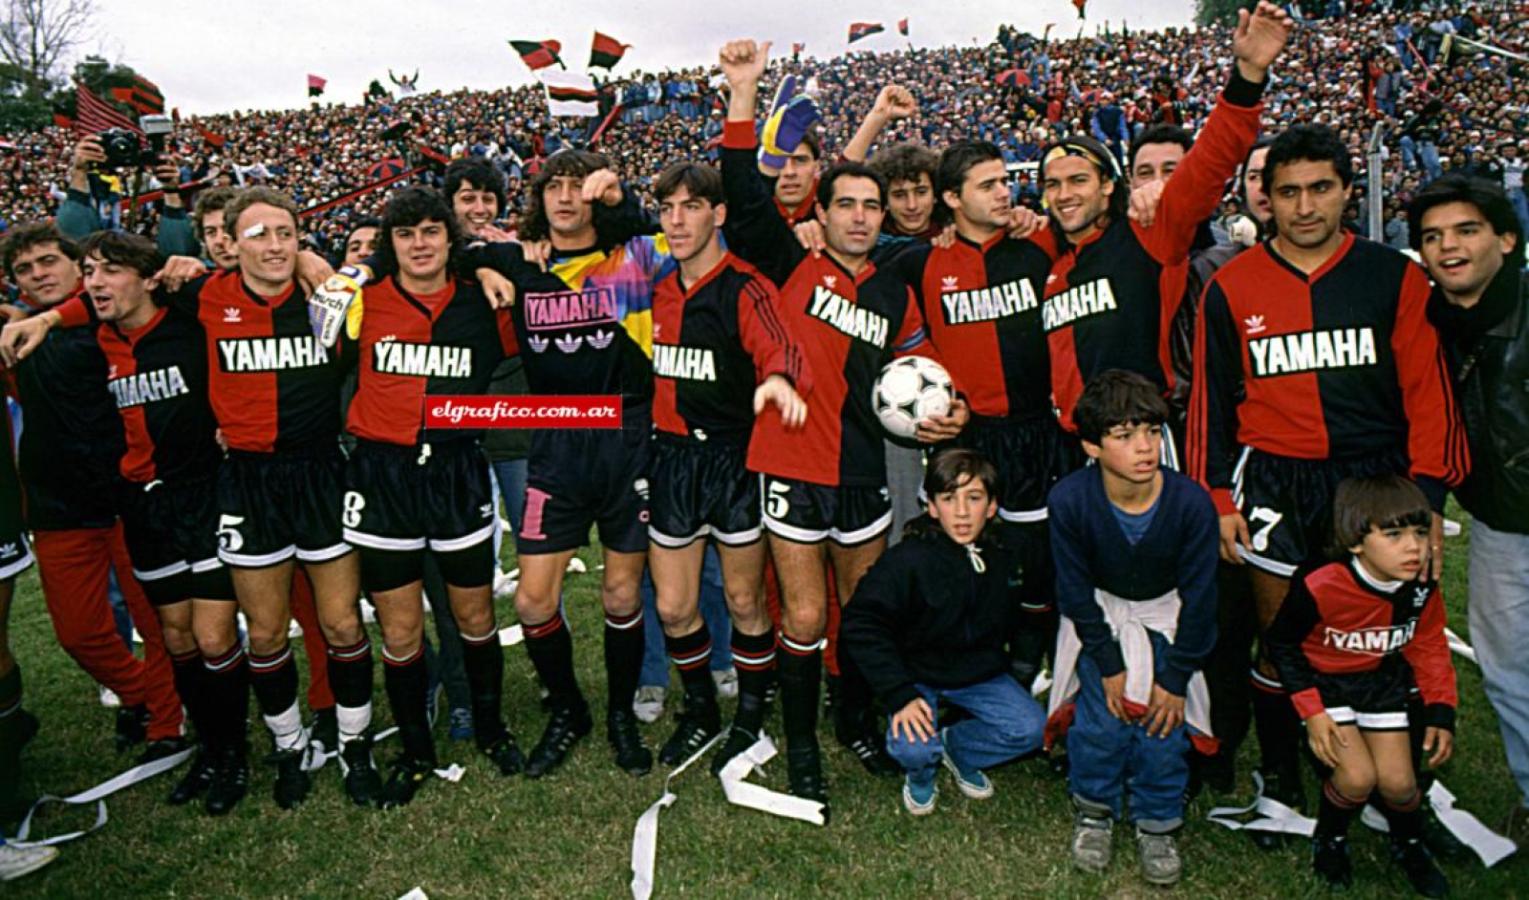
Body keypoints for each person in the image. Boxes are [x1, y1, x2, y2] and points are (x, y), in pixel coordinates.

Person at [1186, 124, 1468, 830]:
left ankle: (1384, 778)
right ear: (1264, 199)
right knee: (1281, 632)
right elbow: (1209, 404)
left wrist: (1426, 497)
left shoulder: (1393, 276)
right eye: (1287, 192)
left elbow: (1427, 392)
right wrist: (1217, 495)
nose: (1303, 206)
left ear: (1347, 191)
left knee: (1377, 631)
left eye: (1318, 189)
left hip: (1372, 481)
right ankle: (1280, 774)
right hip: (1276, 481)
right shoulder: (1229, 286)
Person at [718, 37, 968, 813]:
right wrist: (744, 92)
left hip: (863, 471)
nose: (860, 217)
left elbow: (922, 380)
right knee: (802, 612)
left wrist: (947, 413)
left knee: (859, 613)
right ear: (817, 217)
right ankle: (799, 747)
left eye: (871, 205)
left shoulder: (895, 291)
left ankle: (854, 720)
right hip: (792, 463)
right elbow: (739, 183)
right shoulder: (790, 262)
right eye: (845, 205)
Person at [1038, 0, 1292, 457]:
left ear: (1107, 186)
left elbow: (1208, 166)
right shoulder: (1051, 262)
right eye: (1052, 185)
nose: (1065, 194)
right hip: (1073, 447)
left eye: (1078, 180)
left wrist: (1247, 78)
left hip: (1145, 440)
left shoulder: (1145, 235)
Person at [338, 187, 524, 807]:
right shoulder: (363, 305)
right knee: (400, 629)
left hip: (456, 471)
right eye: (405, 234)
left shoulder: (483, 301)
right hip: (383, 476)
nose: (419, 244)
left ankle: (491, 727)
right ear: (390, 245)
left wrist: (489, 265)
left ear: (449, 239)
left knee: (473, 616)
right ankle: (417, 751)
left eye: (430, 231)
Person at [641, 162, 808, 771]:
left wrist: (777, 380)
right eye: (667, 209)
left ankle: (751, 712)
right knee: (673, 607)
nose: (677, 220)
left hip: (734, 460)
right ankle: (702, 708)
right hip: (672, 459)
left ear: (718, 214)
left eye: (690, 207)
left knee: (743, 600)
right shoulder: (657, 287)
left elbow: (778, 344)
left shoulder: (745, 286)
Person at [77, 231, 247, 815]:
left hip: (207, 494)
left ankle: (235, 756)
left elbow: (231, 289)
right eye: (89, 271)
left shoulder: (187, 318)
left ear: (149, 279)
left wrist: (192, 269)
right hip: (145, 506)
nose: (96, 281)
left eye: (110, 270)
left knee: (214, 634)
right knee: (174, 635)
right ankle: (211, 747)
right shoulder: (95, 339)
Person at [1, 224, 184, 760]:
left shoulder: (110, 313)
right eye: (25, 269)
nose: (39, 274)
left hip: (129, 496)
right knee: (79, 632)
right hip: (59, 507)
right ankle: (140, 695)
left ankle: (167, 725)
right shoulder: (13, 334)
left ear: (75, 265)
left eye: (48, 261)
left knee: (155, 621)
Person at [1047, 370, 1218, 887]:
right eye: (1124, 436)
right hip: (1103, 619)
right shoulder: (1071, 500)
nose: (1143, 447)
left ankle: (1157, 820)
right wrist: (1108, 662)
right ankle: (1094, 808)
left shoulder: (1190, 503)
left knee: (1162, 724)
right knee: (1100, 723)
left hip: (1168, 619)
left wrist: (1177, 675)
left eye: (1149, 431)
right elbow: (1074, 590)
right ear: (1092, 446)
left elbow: (1203, 598)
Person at [1265, 475, 1455, 896]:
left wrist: (1442, 709)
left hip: (1381, 683)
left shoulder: (1422, 584)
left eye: (1420, 532)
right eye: (1394, 534)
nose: (1413, 546)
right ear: (1355, 541)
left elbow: (1428, 641)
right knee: (1356, 778)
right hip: (1325, 685)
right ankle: (1330, 838)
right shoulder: (1320, 582)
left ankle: (1408, 841)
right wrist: (1312, 711)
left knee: (1400, 784)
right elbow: (1281, 643)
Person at [1410, 174, 1529, 845]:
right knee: (1506, 666)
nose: (1446, 246)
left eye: (1465, 230)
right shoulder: (1428, 320)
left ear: (1505, 239)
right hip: (1497, 520)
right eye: (1432, 236)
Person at [841, 449, 1045, 816]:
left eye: (974, 498)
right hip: (916, 674)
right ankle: (921, 774)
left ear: (993, 505)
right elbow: (861, 622)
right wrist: (898, 693)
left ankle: (957, 748)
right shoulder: (908, 560)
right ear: (932, 507)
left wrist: (1015, 668)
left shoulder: (1007, 555)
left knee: (1030, 728)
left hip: (977, 672)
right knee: (913, 748)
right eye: (949, 499)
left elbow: (1029, 612)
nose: (963, 512)